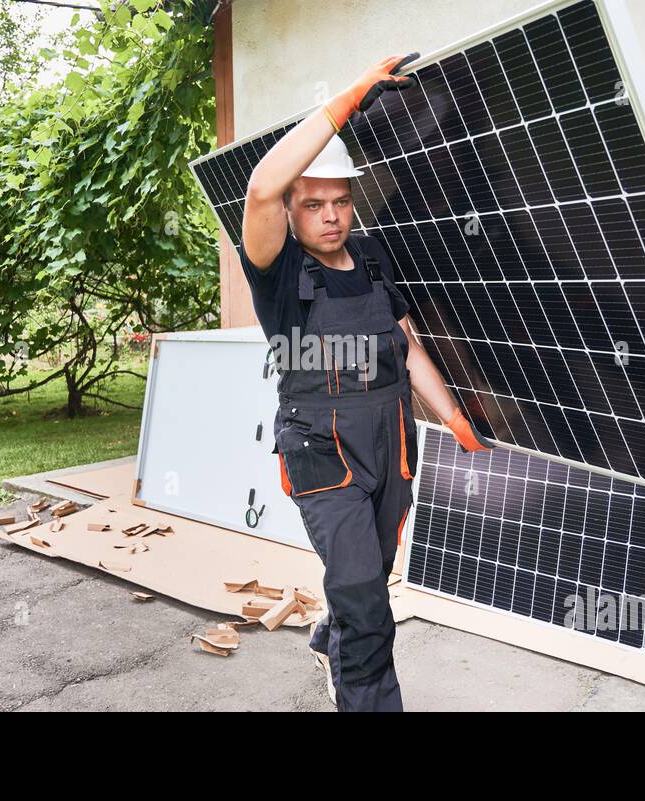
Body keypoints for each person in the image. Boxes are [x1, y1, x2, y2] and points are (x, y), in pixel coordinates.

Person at [238, 54, 496, 712]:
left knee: (370, 574)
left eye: (341, 201)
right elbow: (262, 188)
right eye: (314, 203)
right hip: (321, 446)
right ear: (294, 211)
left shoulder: (376, 256)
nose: (331, 215)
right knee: (366, 598)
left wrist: (455, 417)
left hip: (392, 438)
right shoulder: (277, 270)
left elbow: (404, 347)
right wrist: (345, 101)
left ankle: (334, 636)